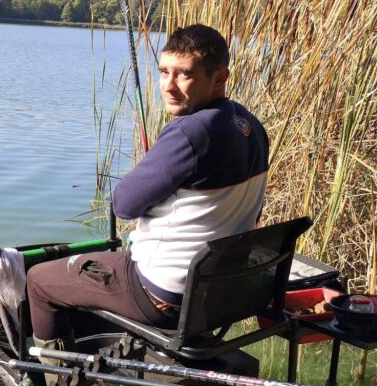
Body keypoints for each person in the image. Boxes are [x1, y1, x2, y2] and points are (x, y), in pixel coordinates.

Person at [27, 24, 269, 351]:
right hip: (213, 295)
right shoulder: (250, 126)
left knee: (39, 280)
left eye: (184, 75)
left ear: (219, 78)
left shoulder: (190, 132)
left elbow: (123, 205)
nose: (168, 86)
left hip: (162, 295)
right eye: (163, 72)